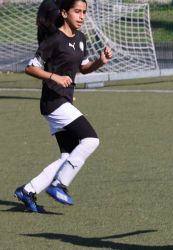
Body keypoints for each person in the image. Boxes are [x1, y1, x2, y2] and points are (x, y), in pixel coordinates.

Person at [14, 0, 112, 213]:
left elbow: (83, 69)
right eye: (77, 11)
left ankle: (28, 190)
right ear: (64, 13)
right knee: (91, 139)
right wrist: (54, 77)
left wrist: (100, 61)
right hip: (53, 102)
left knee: (67, 156)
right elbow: (30, 68)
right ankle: (60, 184)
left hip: (63, 101)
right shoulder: (54, 41)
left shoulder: (81, 39)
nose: (82, 16)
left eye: (84, 12)